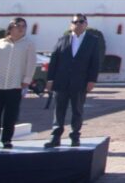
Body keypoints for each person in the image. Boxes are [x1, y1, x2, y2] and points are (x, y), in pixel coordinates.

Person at [45, 13, 101, 148]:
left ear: (86, 24)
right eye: (75, 22)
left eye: (81, 22)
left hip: (80, 82)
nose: (78, 24)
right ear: (71, 25)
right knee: (59, 110)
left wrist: (92, 80)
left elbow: (95, 62)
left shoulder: (93, 41)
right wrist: (50, 79)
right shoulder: (62, 40)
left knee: (77, 110)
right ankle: (55, 136)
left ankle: (75, 136)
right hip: (61, 81)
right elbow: (54, 60)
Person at [0, 18, 36, 149]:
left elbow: (31, 63)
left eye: (23, 26)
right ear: (10, 28)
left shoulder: (28, 44)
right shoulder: (0, 43)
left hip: (15, 85)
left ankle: (6, 140)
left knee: (10, 115)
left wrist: (26, 80)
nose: (21, 28)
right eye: (18, 25)